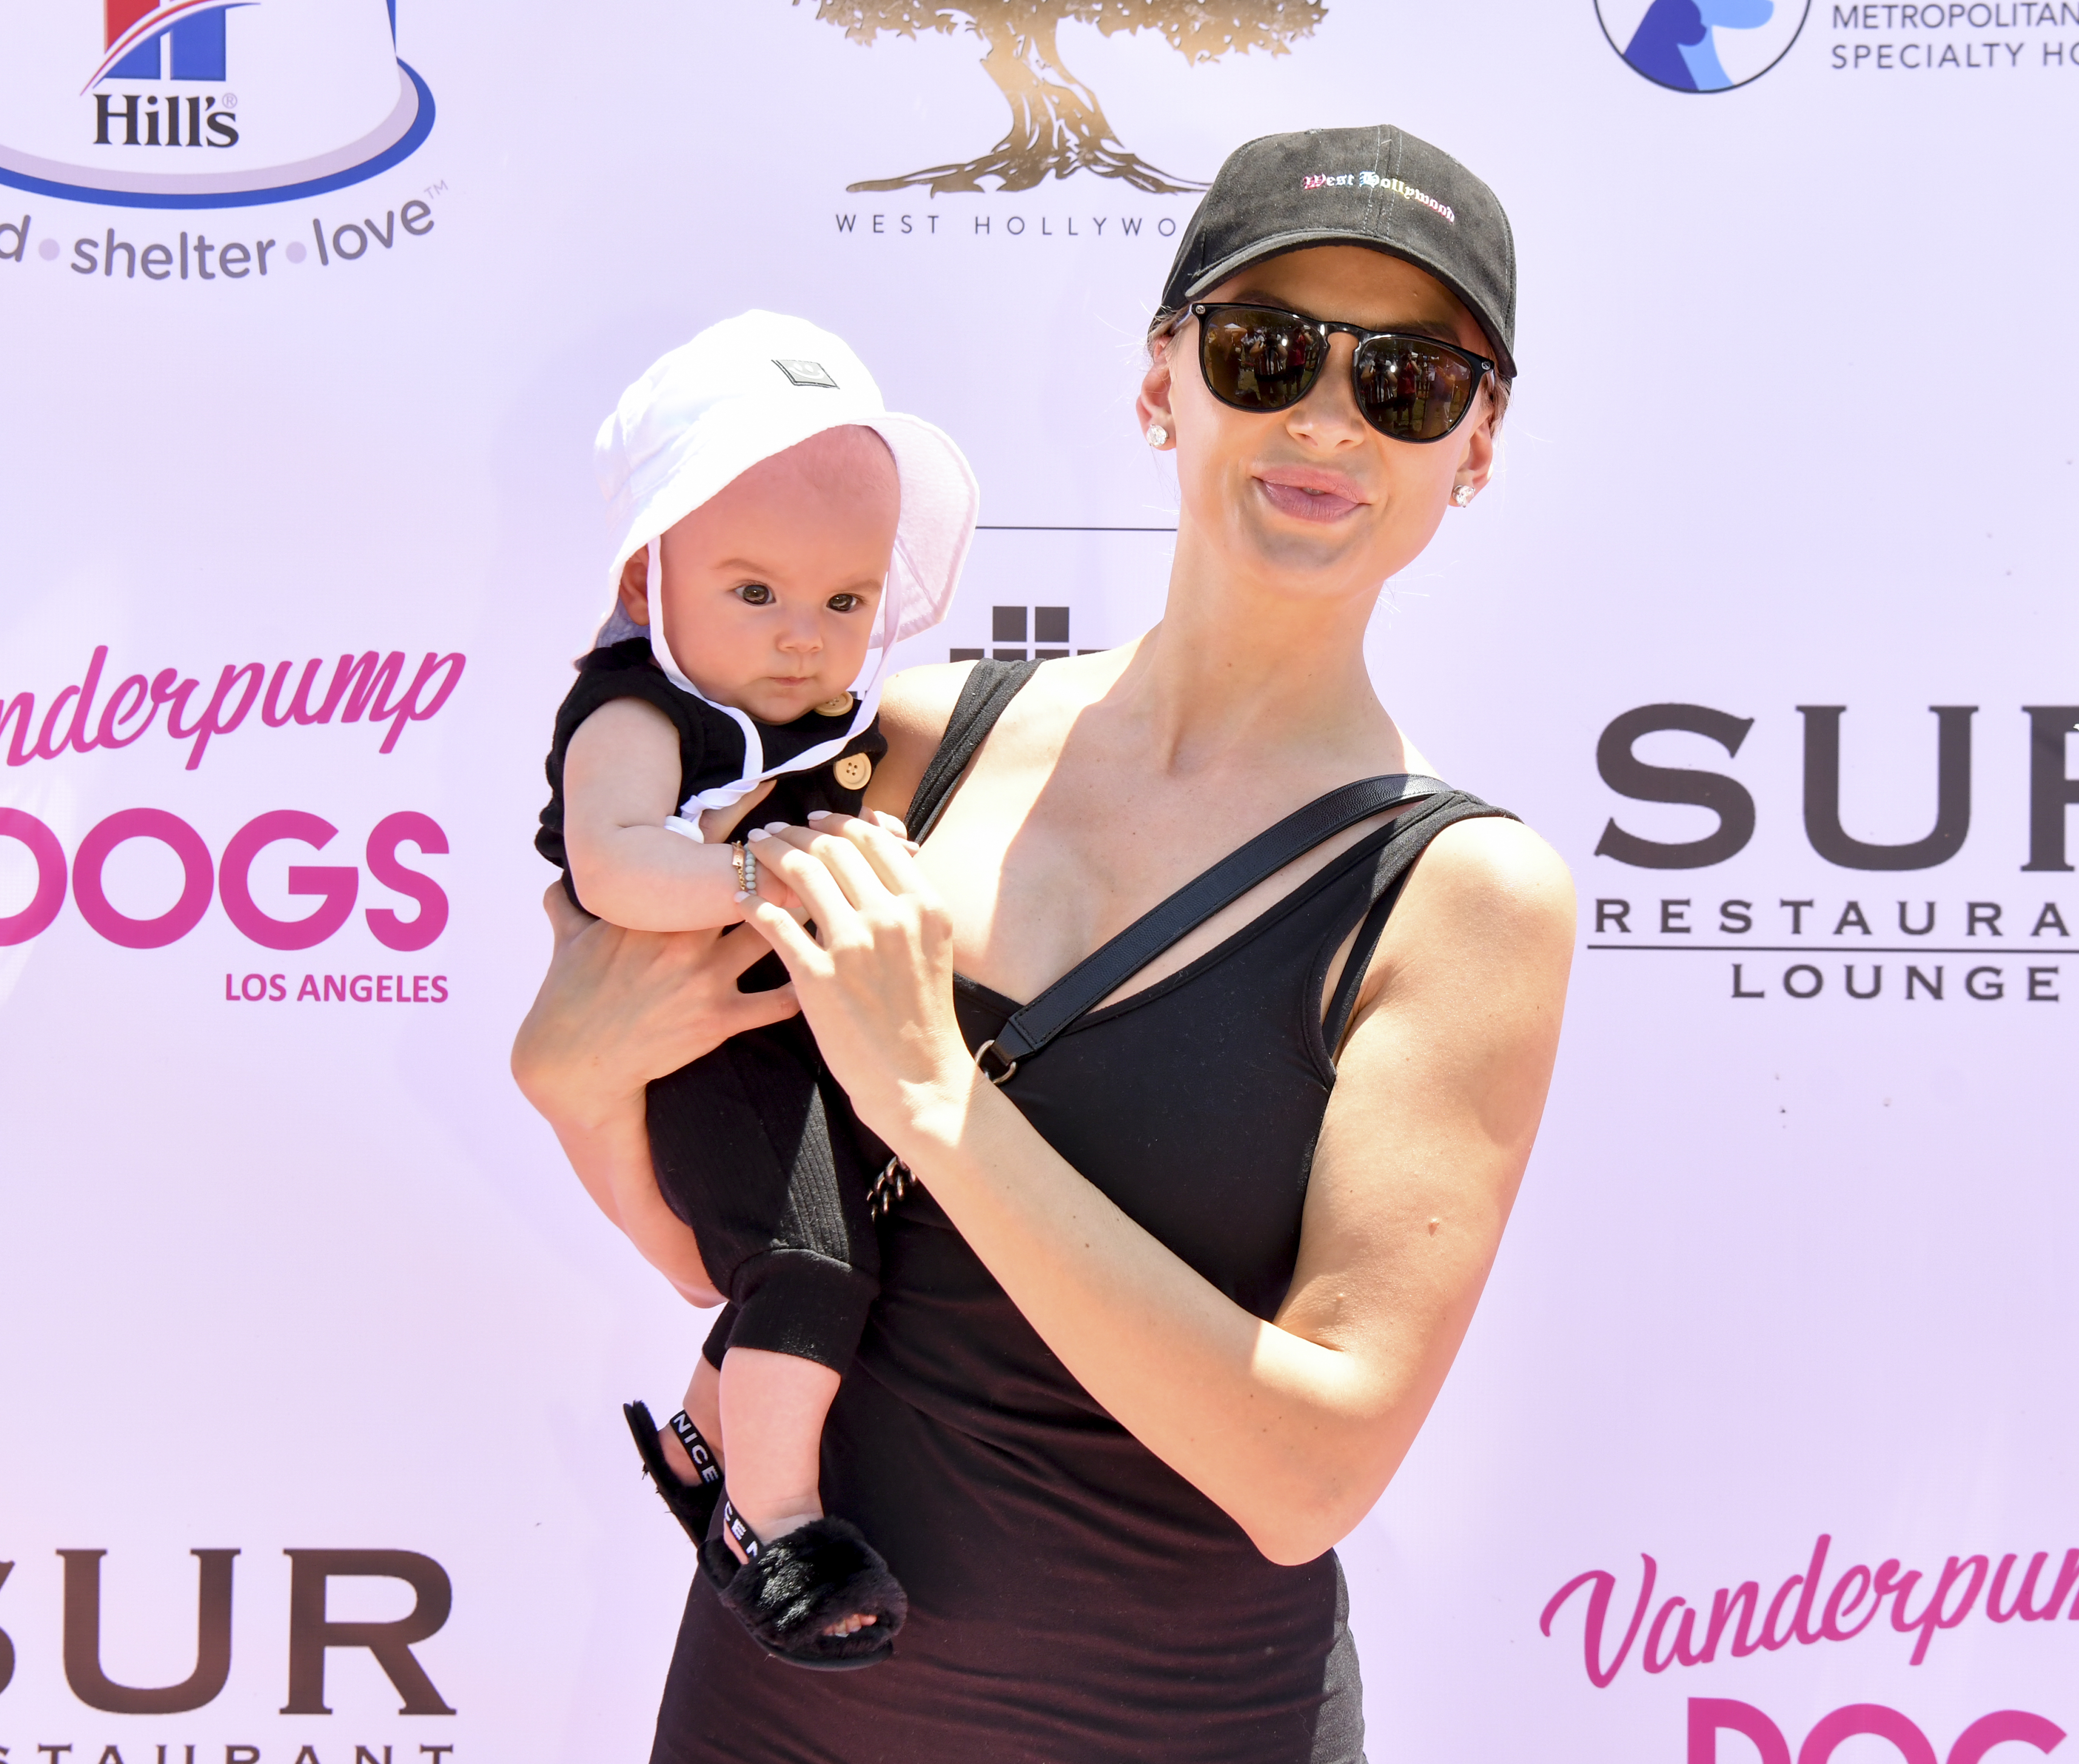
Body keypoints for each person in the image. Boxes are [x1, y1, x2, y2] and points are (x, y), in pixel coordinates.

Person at [514, 126, 1574, 1761]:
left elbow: (1310, 1479)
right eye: (1268, 349)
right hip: (781, 1712)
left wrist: (938, 1094)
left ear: (1476, 447)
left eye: (1410, 383)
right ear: (1165, 384)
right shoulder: (898, 750)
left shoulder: (1455, 895)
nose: (1325, 420)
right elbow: (711, 1237)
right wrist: (575, 1081)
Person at [531, 310, 978, 1667]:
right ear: (646, 572)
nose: (803, 639)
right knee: (810, 1266)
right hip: (701, 1053)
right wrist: (760, 879)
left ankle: (701, 1438)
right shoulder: (635, 712)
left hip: (782, 1045)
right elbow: (611, 865)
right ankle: (772, 1526)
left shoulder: (828, 724)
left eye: (845, 604)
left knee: (838, 1248)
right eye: (755, 593)